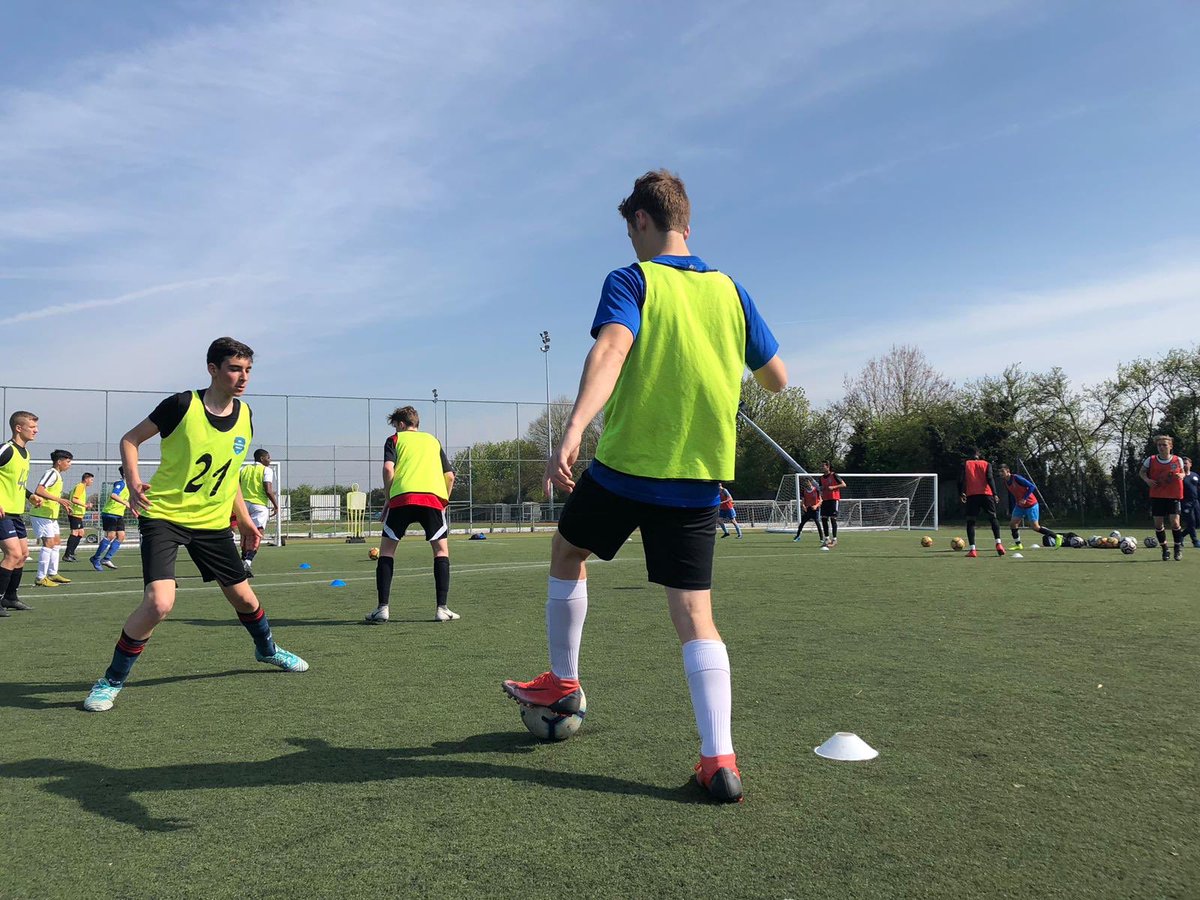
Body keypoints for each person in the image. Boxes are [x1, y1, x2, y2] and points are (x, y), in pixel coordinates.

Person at [501, 170, 787, 803]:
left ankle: (564, 682)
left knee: (567, 552)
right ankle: (718, 759)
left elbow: (611, 348)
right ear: (686, 218)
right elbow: (777, 379)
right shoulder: (732, 292)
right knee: (694, 615)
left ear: (640, 221)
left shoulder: (632, 279)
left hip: (627, 469)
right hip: (697, 481)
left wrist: (573, 428)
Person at [82, 337, 308, 713]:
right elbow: (130, 439)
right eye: (235, 369)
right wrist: (135, 481)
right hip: (164, 516)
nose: (243, 377)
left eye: (248, 370)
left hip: (213, 524)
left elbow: (229, 474)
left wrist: (244, 520)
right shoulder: (181, 405)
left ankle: (266, 650)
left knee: (244, 598)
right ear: (213, 369)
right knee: (159, 603)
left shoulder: (246, 414)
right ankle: (111, 680)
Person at [364, 406, 458, 624]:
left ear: (400, 424)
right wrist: (443, 502)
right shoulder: (433, 441)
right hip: (433, 499)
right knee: (441, 551)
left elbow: (388, 470)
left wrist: (388, 498)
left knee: (387, 550)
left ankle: (383, 609)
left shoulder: (395, 439)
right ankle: (442, 608)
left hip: (402, 498)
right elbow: (450, 476)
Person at [0, 411, 40, 615]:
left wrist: (30, 496)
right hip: (2, 512)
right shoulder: (6, 449)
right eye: (32, 427)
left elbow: (16, 483)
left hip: (16, 513)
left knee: (23, 554)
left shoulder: (26, 453)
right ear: (18, 428)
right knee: (13, 553)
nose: (36, 430)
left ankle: (10, 597)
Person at [28, 449, 77, 587]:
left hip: (50, 516)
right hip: (41, 515)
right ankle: (40, 577)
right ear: (59, 462)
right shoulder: (51, 473)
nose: (69, 464)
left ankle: (52, 573)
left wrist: (62, 504)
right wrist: (59, 500)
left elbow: (49, 495)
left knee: (56, 542)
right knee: (48, 543)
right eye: (68, 462)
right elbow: (39, 490)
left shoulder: (58, 475)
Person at [1139, 435, 1185, 562]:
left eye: (1164, 445)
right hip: (1157, 495)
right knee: (1158, 524)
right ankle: (1165, 549)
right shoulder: (1151, 459)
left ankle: (1177, 548)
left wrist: (1182, 474)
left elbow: (1184, 471)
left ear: (1170, 446)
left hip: (1173, 495)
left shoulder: (1177, 460)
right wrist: (1147, 480)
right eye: (1159, 445)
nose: (1161, 447)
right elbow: (1142, 472)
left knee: (1175, 523)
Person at [238, 448, 280, 576]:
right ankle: (248, 563)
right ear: (262, 458)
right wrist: (275, 505)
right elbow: (268, 489)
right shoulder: (266, 470)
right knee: (257, 534)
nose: (270, 460)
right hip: (258, 505)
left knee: (245, 535)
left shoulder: (243, 469)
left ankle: (243, 560)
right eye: (268, 457)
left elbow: (236, 486)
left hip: (243, 505)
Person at [997, 464, 1059, 550]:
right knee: (1013, 524)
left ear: (1008, 471)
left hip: (1031, 505)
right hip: (1020, 506)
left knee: (1035, 527)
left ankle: (1056, 537)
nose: (1001, 473)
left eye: (1002, 471)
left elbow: (1032, 486)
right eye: (999, 472)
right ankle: (1018, 545)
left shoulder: (1016, 478)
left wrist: (1025, 498)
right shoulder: (1005, 482)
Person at [959, 448, 1005, 558]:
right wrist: (995, 493)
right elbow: (990, 478)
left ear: (969, 455)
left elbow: (961, 480)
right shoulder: (986, 464)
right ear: (978, 455)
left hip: (972, 495)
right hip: (986, 495)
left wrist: (961, 492)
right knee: (993, 518)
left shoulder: (966, 464)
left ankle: (973, 550)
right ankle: (998, 544)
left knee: (971, 522)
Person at [90, 465, 132, 571]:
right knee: (110, 536)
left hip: (118, 514)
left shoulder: (128, 485)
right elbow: (114, 495)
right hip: (110, 512)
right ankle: (96, 558)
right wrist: (126, 503)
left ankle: (106, 559)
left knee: (121, 536)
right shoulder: (120, 483)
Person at [63, 471, 94, 561]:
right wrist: (85, 505)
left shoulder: (82, 487)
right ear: (86, 479)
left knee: (81, 533)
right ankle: (67, 554)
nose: (92, 482)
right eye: (91, 480)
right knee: (75, 532)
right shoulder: (80, 486)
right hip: (75, 513)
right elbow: (74, 499)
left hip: (78, 514)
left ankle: (71, 553)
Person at [818, 462, 846, 547]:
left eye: (823, 466)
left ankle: (834, 539)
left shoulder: (834, 475)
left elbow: (844, 484)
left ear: (828, 467)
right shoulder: (821, 478)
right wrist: (821, 489)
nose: (822, 468)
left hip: (833, 499)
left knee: (833, 519)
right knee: (824, 519)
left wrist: (833, 487)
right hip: (825, 500)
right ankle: (827, 539)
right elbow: (820, 488)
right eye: (821, 466)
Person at [793, 476, 824, 543]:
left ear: (811, 482)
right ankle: (797, 536)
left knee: (818, 523)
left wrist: (816, 506)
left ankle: (821, 538)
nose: (807, 483)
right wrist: (803, 506)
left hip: (815, 509)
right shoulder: (804, 491)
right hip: (808, 509)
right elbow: (803, 501)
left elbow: (821, 500)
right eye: (805, 482)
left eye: (808, 482)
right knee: (802, 524)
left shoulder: (816, 490)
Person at [1181, 456, 1200, 549]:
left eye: (1186, 463)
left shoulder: (1195, 475)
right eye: (1183, 463)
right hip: (1185, 502)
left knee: (1197, 522)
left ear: (1190, 464)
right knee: (1191, 522)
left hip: (1195, 502)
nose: (1184, 465)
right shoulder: (1180, 476)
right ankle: (1195, 541)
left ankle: (1181, 535)